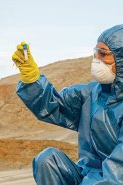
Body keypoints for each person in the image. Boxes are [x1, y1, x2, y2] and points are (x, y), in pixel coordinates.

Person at [11, 24, 123, 185]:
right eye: (95, 53)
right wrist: (31, 80)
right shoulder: (89, 94)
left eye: (103, 54)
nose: (96, 60)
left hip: (114, 179)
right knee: (48, 160)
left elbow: (117, 173)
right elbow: (53, 106)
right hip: (88, 174)